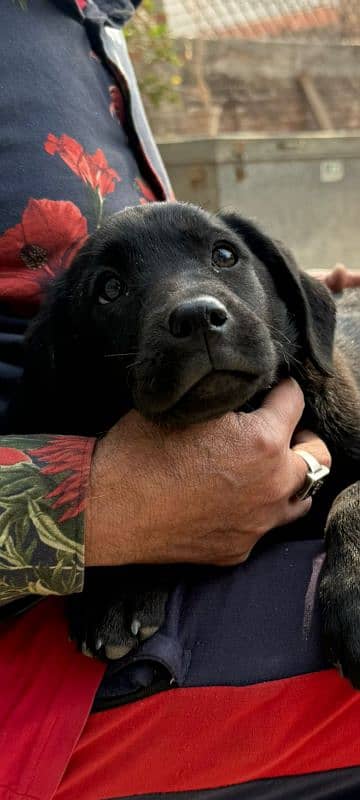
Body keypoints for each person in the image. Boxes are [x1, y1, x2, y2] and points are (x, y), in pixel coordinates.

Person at [0, 2, 359, 798]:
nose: (191, 306)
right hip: (35, 677)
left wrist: (293, 296)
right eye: (112, 290)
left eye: (227, 259)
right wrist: (103, 512)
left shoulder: (83, 24)